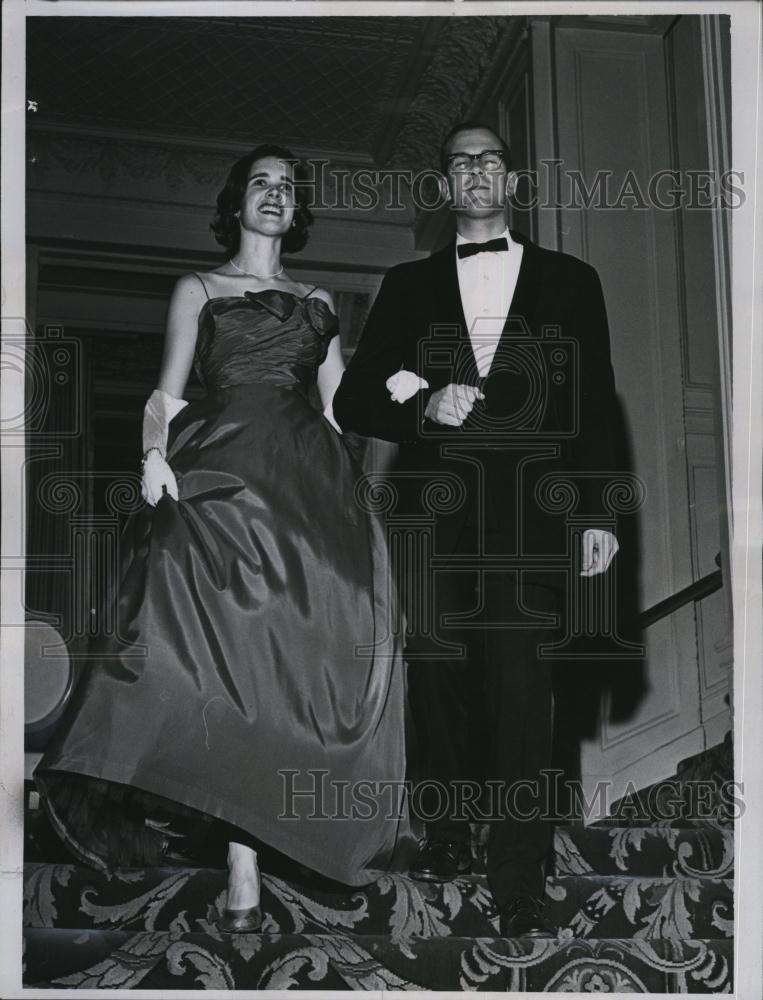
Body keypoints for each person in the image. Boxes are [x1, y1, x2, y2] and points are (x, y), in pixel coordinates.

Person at [34, 144, 414, 934]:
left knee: (302, 657)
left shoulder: (315, 299)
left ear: (296, 208)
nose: (275, 194)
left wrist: (402, 393)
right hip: (220, 472)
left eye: (287, 186)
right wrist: (149, 455)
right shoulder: (198, 289)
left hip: (310, 484)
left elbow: (343, 410)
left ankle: (282, 826)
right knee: (205, 639)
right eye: (260, 183)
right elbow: (164, 393)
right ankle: (240, 854)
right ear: (235, 201)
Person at [332, 122, 621, 938]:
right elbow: (354, 400)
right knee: (444, 684)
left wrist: (598, 511)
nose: (476, 171)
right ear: (444, 184)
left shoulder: (572, 280)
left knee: (525, 692)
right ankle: (450, 829)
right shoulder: (406, 283)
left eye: (489, 158)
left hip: (534, 517)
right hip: (435, 518)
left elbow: (593, 403)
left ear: (511, 177)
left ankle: (519, 872)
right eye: (460, 162)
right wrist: (421, 404)